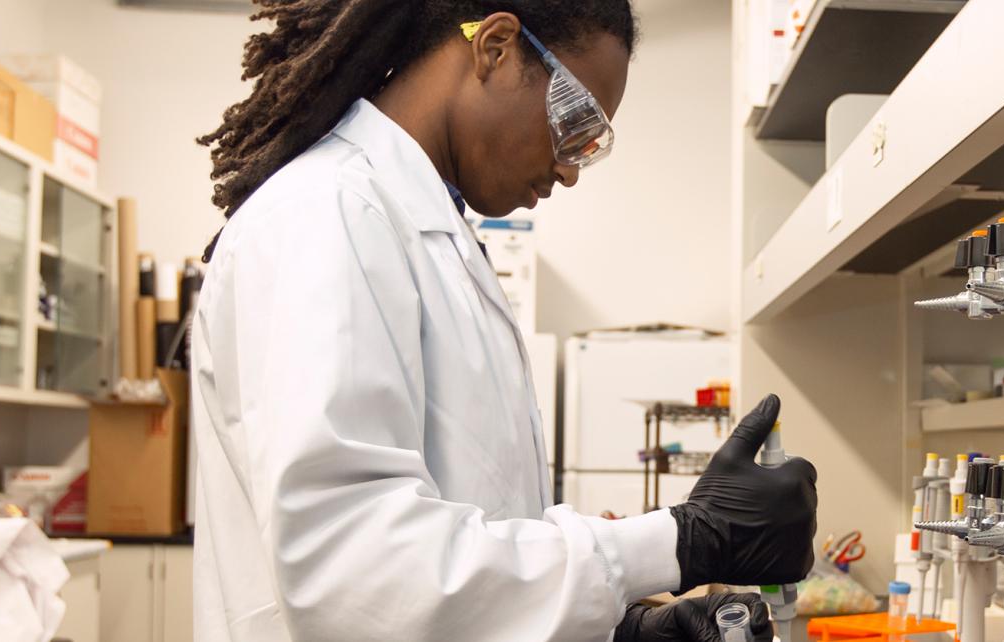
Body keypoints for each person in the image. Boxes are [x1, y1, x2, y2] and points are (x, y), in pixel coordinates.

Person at [190, 1, 818, 641]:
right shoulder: (324, 219)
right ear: (495, 47)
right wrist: (681, 540)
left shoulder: (428, 237)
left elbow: (475, 549)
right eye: (576, 123)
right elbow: (357, 579)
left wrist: (622, 629)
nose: (570, 169)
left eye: (589, 144)